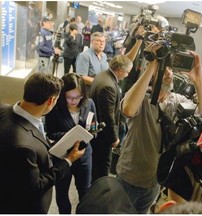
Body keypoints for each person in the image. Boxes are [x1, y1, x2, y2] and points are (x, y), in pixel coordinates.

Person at [116, 42, 202, 213]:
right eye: (164, 68)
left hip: (155, 181)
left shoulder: (176, 101)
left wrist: (198, 80)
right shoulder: (142, 99)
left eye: (170, 69)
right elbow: (128, 108)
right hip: (130, 177)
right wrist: (153, 64)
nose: (169, 72)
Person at [0, 73, 85, 213]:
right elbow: (37, 185)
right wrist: (68, 160)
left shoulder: (3, 109)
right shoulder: (23, 146)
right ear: (51, 100)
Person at [45, 73, 97, 213]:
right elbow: (50, 132)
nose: (73, 101)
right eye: (69, 97)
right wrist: (70, 136)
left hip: (84, 156)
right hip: (63, 157)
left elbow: (93, 126)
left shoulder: (89, 103)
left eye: (77, 97)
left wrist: (93, 132)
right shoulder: (55, 108)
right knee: (62, 193)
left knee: (85, 192)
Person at [90, 55, 133, 182]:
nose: (127, 75)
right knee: (103, 167)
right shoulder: (108, 86)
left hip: (96, 131)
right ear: (120, 70)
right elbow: (108, 117)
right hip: (103, 136)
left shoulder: (102, 75)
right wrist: (113, 138)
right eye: (127, 72)